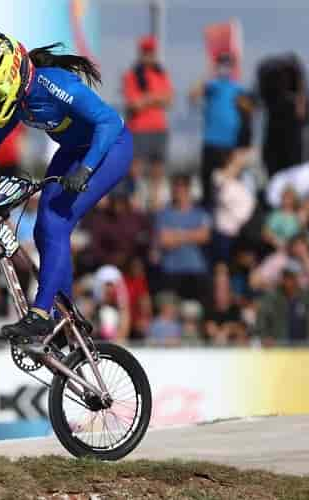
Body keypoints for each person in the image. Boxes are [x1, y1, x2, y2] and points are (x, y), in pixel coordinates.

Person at [0, 30, 132, 342]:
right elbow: (11, 118)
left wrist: (86, 170)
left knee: (55, 223)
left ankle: (42, 314)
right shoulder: (20, 93)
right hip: (74, 151)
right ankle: (64, 318)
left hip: (110, 148)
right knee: (42, 230)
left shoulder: (51, 84)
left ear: (10, 77)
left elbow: (110, 122)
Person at [189, 53, 247, 207]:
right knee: (208, 183)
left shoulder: (238, 87)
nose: (224, 68)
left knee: (230, 184)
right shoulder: (211, 85)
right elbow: (193, 96)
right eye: (221, 64)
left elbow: (248, 110)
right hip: (211, 141)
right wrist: (208, 75)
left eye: (227, 65)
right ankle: (208, 212)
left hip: (230, 143)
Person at [122, 35, 173, 191]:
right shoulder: (132, 75)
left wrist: (146, 99)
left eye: (151, 52)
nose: (148, 55)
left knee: (157, 169)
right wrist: (155, 98)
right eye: (146, 51)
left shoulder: (161, 73)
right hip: (138, 128)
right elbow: (134, 104)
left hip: (159, 128)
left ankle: (154, 203)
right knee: (134, 168)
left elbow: (168, 99)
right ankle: (134, 200)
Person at [153, 175, 212, 305]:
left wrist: (177, 234)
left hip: (195, 270)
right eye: (176, 187)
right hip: (171, 270)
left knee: (193, 311)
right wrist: (192, 235)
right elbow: (164, 240)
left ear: (188, 189)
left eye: (182, 187)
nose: (179, 191)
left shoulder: (200, 212)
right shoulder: (164, 214)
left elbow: (204, 236)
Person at [255, 262, 309, 345]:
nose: (290, 281)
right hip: (280, 347)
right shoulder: (271, 298)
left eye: (293, 277)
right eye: (287, 277)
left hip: (304, 346)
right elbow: (261, 321)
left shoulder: (307, 297)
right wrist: (264, 337)